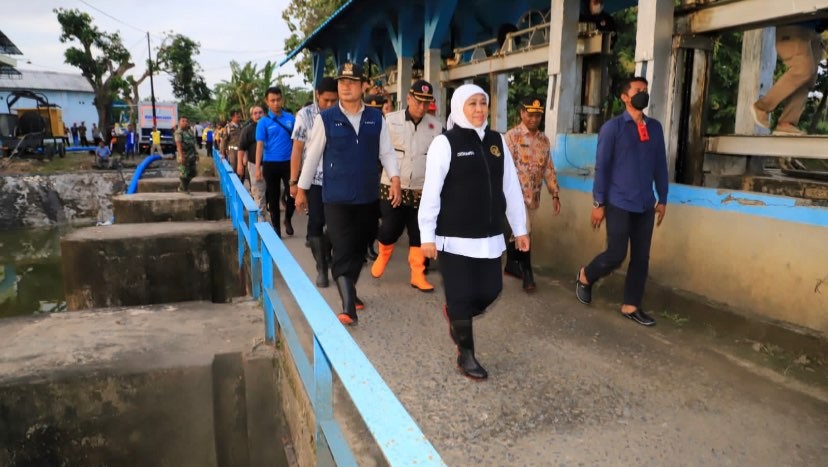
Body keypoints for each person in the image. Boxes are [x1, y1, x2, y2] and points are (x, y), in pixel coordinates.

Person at [419, 84, 528, 380]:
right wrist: (426, 235)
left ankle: (457, 313)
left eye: (483, 103)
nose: (479, 109)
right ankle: (466, 355)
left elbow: (511, 187)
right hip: (452, 238)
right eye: (473, 104)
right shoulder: (445, 143)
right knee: (460, 295)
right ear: (459, 107)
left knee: (491, 290)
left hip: (490, 235)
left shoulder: (497, 141)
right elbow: (431, 192)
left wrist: (520, 228)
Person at [294, 62, 402, 326]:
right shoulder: (326, 119)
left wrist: (396, 179)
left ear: (363, 86)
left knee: (359, 246)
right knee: (344, 248)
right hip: (337, 197)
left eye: (352, 82)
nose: (346, 87)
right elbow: (312, 156)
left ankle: (348, 287)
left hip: (367, 196)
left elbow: (386, 152)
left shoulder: (376, 118)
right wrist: (301, 189)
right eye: (342, 82)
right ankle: (347, 307)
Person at [575, 77, 668, 327]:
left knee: (641, 257)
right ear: (625, 97)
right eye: (638, 91)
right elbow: (602, 167)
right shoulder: (612, 128)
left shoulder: (655, 128)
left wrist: (663, 198)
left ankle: (631, 305)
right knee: (616, 253)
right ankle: (586, 276)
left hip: (645, 204)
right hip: (618, 201)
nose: (643, 94)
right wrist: (598, 204)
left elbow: (660, 164)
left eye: (646, 91)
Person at [370, 80, 443, 292]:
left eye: (426, 103)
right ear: (409, 99)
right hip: (393, 185)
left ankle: (417, 274)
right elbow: (379, 152)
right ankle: (383, 255)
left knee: (419, 232)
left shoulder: (436, 127)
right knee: (390, 229)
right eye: (418, 102)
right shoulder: (389, 120)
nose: (421, 107)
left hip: (421, 188)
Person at [503, 97, 562, 292]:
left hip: (533, 197)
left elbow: (548, 168)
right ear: (522, 113)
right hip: (515, 196)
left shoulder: (544, 140)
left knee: (518, 232)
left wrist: (555, 193)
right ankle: (527, 274)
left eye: (538, 115)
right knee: (524, 231)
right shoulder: (511, 137)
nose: (534, 119)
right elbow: (503, 167)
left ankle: (511, 265)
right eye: (530, 114)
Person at [288, 77, 339, 288]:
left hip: (338, 179)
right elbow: (297, 150)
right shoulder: (305, 116)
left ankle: (328, 255)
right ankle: (322, 268)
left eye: (334, 101)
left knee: (337, 225)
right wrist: (294, 183)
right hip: (315, 180)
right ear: (318, 95)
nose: (329, 105)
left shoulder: (343, 114)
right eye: (326, 100)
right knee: (316, 223)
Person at [752, 22, 825, 135]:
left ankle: (786, 123)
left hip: (816, 31)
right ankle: (762, 107)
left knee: (808, 80)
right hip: (795, 24)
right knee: (803, 70)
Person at [255, 87, 296, 237]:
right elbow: (260, 145)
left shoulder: (291, 119)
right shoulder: (263, 122)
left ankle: (288, 219)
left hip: (289, 163)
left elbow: (298, 142)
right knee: (273, 197)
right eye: (272, 100)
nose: (276, 103)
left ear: (282, 99)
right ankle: (277, 229)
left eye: (278, 99)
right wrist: (258, 167)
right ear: (267, 102)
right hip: (270, 163)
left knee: (292, 194)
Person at [238, 106, 267, 217]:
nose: (258, 115)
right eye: (255, 113)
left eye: (260, 112)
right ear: (252, 116)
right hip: (255, 165)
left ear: (264, 113)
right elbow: (241, 148)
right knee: (258, 194)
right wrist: (240, 165)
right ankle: (261, 223)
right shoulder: (248, 130)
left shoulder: (269, 126)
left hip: (271, 164)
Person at [174, 116, 199, 192]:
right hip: (184, 155)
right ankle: (183, 188)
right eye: (183, 121)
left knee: (193, 172)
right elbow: (178, 144)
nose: (185, 122)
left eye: (186, 121)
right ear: (179, 122)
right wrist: (181, 156)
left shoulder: (190, 131)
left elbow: (193, 143)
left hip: (191, 155)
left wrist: (196, 154)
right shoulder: (179, 132)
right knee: (184, 174)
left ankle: (182, 187)